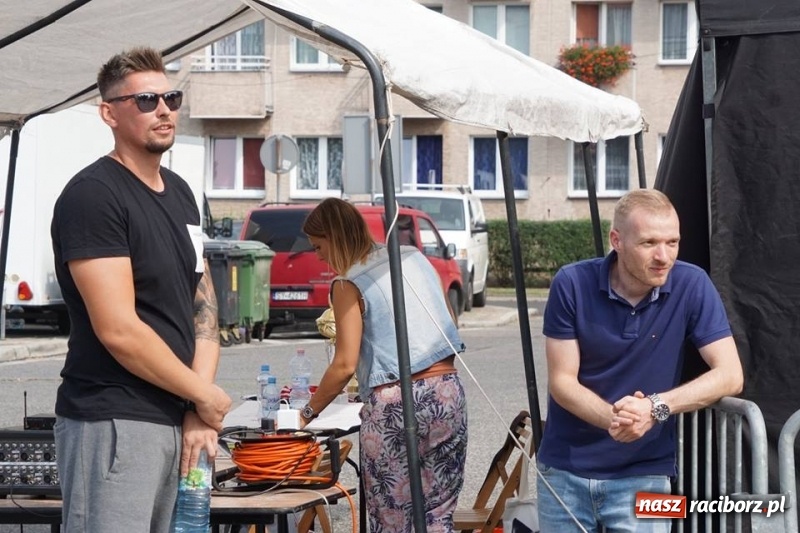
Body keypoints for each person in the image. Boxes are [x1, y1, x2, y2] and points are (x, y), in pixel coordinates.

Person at [50, 47, 231, 533]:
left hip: (178, 419)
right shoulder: (93, 195)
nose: (165, 109)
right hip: (114, 420)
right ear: (109, 112)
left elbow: (204, 306)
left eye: (171, 96)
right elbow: (119, 330)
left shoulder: (181, 192)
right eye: (147, 100)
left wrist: (198, 408)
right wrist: (205, 397)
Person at [537, 189, 744, 532]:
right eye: (649, 243)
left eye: (673, 242)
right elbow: (562, 381)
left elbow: (730, 374)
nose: (664, 256)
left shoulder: (692, 284)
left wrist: (655, 407)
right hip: (564, 472)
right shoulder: (571, 283)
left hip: (647, 473)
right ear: (616, 240)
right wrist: (616, 421)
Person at [300, 197, 468, 532]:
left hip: (396, 403)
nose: (318, 256)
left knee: (391, 514)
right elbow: (448, 323)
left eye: (319, 247)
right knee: (438, 513)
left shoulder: (349, 282)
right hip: (447, 392)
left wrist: (306, 413)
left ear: (335, 237)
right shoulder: (412, 256)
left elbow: (344, 364)